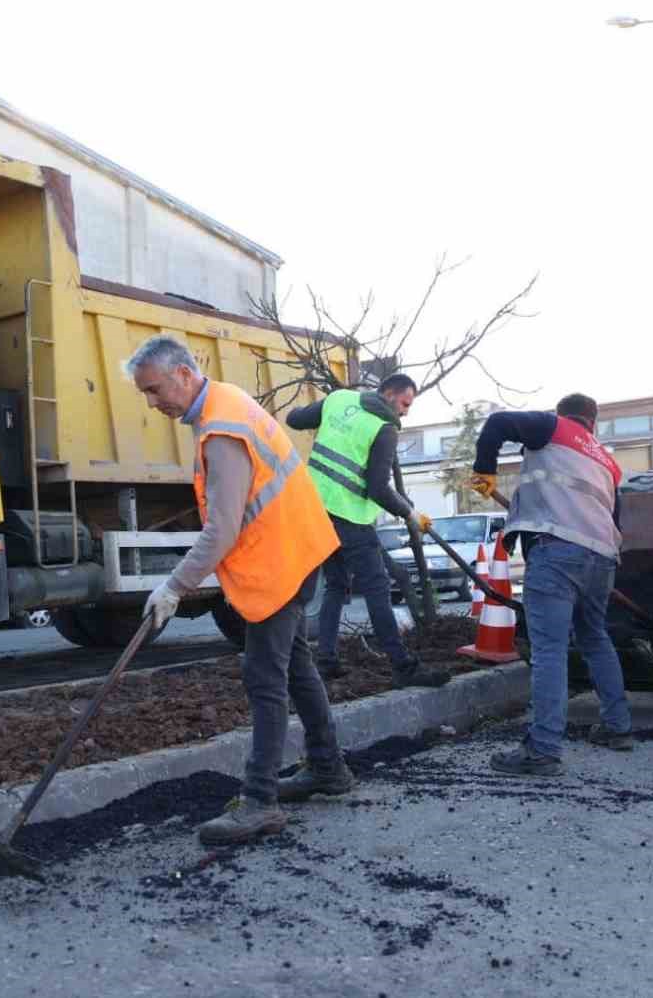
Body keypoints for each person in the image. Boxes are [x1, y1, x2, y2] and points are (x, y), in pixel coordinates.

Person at [127, 335, 355, 845]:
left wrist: (174, 586)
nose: (153, 401)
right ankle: (328, 769)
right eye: (145, 393)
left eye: (155, 389)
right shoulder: (224, 406)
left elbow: (223, 528)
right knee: (295, 667)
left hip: (280, 560)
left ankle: (259, 803)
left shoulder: (222, 428)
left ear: (184, 374)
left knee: (264, 677)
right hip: (294, 550)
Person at [468, 394, 633, 777]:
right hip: (601, 558)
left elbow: (496, 424)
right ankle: (617, 726)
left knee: (550, 651)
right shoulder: (607, 462)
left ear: (564, 414)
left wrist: (485, 468)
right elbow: (615, 521)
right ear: (594, 423)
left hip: (556, 551)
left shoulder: (551, 427)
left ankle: (542, 749)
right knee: (595, 638)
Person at [287, 375, 452, 688]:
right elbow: (377, 488)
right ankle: (403, 665)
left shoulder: (340, 399)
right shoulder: (384, 429)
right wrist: (409, 512)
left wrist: (320, 417)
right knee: (377, 588)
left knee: (335, 585)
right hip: (349, 518)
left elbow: (294, 419)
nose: (405, 412)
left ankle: (326, 660)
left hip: (312, 510)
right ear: (389, 394)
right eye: (405, 403)